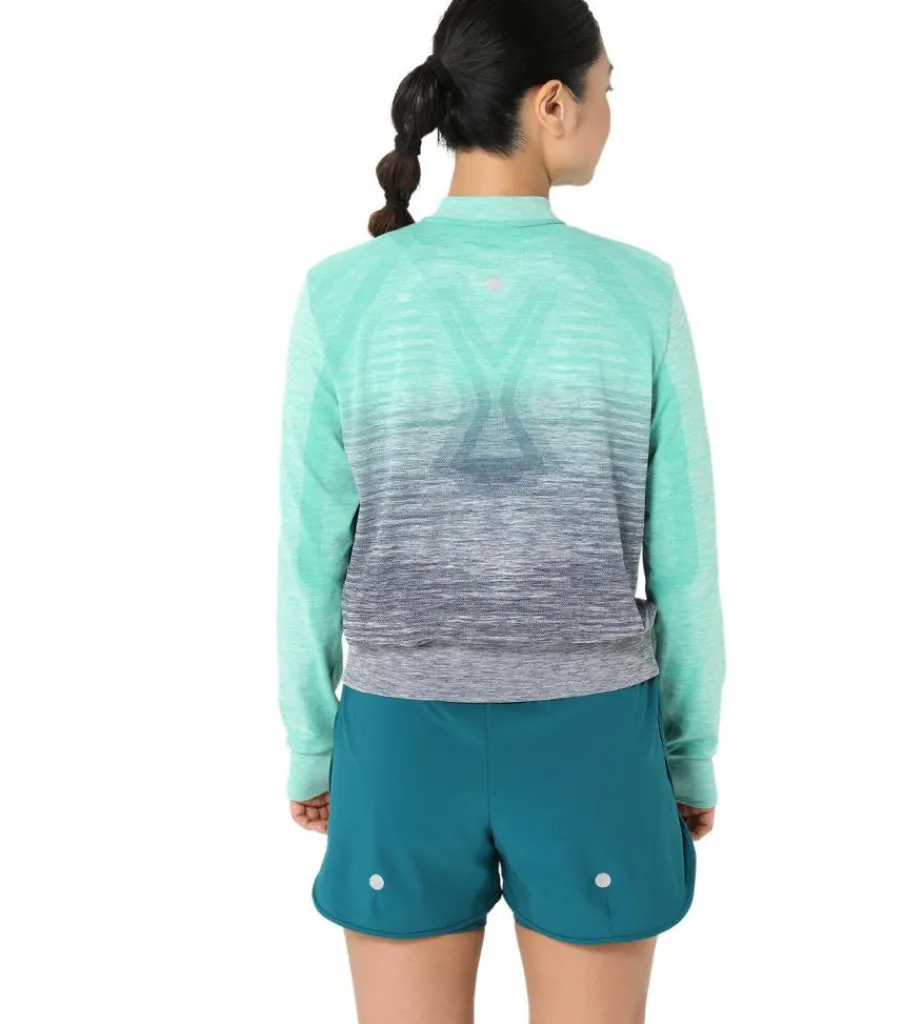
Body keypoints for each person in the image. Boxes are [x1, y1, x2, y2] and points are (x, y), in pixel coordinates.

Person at [275, 0, 726, 1020]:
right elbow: (685, 561)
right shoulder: (638, 293)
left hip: (398, 742)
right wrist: (687, 754)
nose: (609, 112)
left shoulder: (341, 293)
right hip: (594, 745)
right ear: (553, 102)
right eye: (606, 89)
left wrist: (311, 743)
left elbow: (308, 553)